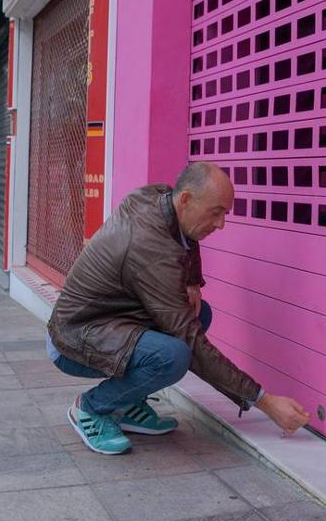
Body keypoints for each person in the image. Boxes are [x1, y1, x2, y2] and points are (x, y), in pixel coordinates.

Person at [47, 162, 310, 455]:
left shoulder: (160, 198)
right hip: (76, 338)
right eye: (216, 212)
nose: (221, 224)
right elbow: (190, 341)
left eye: (225, 213)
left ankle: (126, 402)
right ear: (186, 199)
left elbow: (187, 238)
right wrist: (263, 400)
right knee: (174, 355)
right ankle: (91, 408)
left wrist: (193, 282)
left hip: (112, 321)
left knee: (200, 312)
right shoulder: (151, 249)